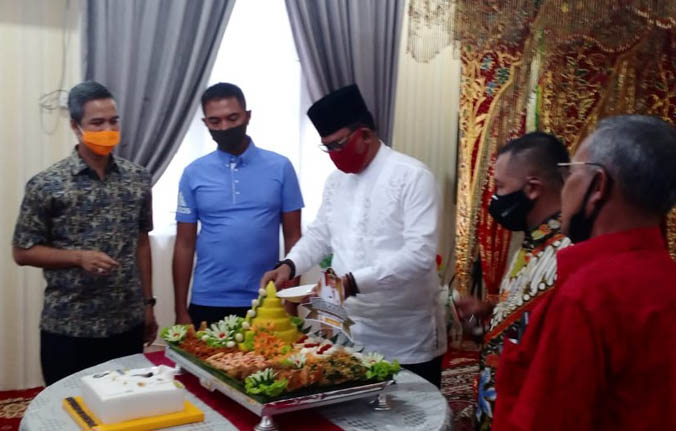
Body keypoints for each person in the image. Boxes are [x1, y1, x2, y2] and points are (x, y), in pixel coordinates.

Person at [492, 115, 676, 431]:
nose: (564, 188)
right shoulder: (675, 282)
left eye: (572, 172)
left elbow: (547, 420)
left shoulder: (587, 294)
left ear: (598, 185)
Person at [261, 84, 447, 388]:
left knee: (411, 411)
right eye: (327, 147)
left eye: (338, 145)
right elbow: (320, 234)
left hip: (404, 332)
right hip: (346, 327)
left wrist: (350, 283)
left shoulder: (412, 176)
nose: (334, 155)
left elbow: (419, 255)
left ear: (365, 134)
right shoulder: (336, 182)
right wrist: (289, 265)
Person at [12, 81, 157, 385]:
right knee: (68, 407)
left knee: (125, 404)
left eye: (114, 121)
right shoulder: (47, 184)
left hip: (125, 323)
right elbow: (23, 252)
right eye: (97, 123)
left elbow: (142, 242)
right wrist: (78, 258)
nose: (108, 129)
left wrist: (148, 304)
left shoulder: (137, 178)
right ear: (75, 126)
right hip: (69, 326)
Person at [457, 132, 571, 431]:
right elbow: (524, 315)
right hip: (501, 402)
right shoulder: (532, 243)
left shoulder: (568, 253)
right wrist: (488, 313)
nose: (495, 198)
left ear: (532, 188)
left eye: (500, 187)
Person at [173, 83, 303, 329]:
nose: (225, 127)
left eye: (232, 118)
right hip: (207, 299)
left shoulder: (280, 167)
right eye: (215, 121)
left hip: (267, 298)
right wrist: (180, 309)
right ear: (205, 123)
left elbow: (294, 237)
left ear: (247, 116)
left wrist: (291, 301)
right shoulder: (193, 173)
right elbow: (184, 243)